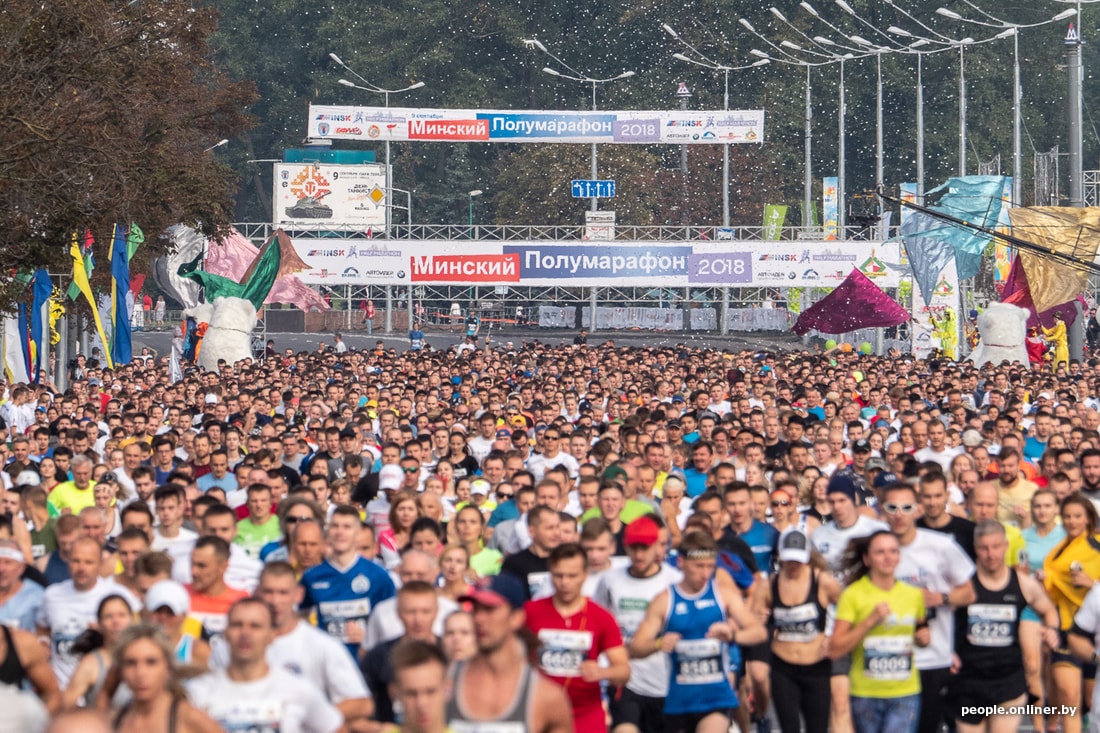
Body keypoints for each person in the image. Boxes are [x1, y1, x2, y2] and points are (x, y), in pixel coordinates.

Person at [629, 530, 768, 733]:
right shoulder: (665, 600)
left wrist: (732, 635)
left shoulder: (723, 594)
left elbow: (758, 632)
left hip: (716, 697)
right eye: (699, 566)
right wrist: (658, 644)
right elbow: (636, 648)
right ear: (681, 563)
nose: (705, 573)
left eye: (710, 567)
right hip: (678, 701)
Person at [951, 520, 1061, 733]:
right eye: (984, 548)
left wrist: (1052, 629)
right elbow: (943, 621)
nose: (990, 554)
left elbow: (1048, 610)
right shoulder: (964, 584)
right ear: (976, 549)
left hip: (1008, 680)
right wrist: (948, 652)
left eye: (996, 547)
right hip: (969, 680)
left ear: (1006, 546)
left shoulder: (1022, 583)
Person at [188, 599, 346, 733]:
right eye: (237, 625)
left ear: (272, 635)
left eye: (255, 626)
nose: (245, 633)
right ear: (225, 633)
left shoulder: (299, 689)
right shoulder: (196, 692)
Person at [828, 531, 930, 733]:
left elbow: (921, 631)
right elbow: (835, 649)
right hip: (866, 694)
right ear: (867, 559)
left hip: (905, 692)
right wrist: (868, 622)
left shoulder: (913, 595)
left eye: (893, 551)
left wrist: (923, 639)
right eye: (880, 552)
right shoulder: (852, 595)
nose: (888, 557)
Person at [446, 573, 574, 732]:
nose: (479, 618)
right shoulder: (444, 686)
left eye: (489, 609)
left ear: (516, 618)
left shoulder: (546, 698)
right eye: (475, 609)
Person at [524, 542, 631, 732]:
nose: (565, 582)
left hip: (586, 716)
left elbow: (624, 671)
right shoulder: (531, 611)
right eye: (558, 576)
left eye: (572, 576)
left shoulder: (601, 617)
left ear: (584, 575)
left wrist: (602, 672)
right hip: (540, 714)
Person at [594, 515, 683, 733]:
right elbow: (598, 624)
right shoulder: (610, 580)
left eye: (645, 548)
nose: (639, 554)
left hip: (667, 682)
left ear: (656, 547)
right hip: (627, 682)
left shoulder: (674, 581)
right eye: (633, 548)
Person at [754, 528, 842, 733]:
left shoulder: (823, 581)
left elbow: (848, 611)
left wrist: (834, 637)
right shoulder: (769, 585)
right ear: (780, 557)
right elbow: (753, 621)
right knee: (790, 727)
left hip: (817, 666)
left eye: (798, 560)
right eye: (788, 560)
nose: (793, 566)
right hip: (783, 666)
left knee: (817, 727)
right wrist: (760, 621)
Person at [300, 505, 396, 658]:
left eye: (347, 527)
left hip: (365, 664)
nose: (340, 532)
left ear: (357, 533)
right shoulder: (311, 577)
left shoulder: (378, 576)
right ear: (328, 531)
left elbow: (392, 624)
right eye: (335, 526)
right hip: (325, 663)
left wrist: (368, 639)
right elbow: (300, 617)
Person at [1043, 494, 1100, 733]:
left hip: (1094, 634)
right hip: (1066, 629)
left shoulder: (1097, 545)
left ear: (1087, 518)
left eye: (1077, 516)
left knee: (1089, 702)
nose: (1071, 521)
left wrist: (1093, 583)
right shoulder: (1057, 552)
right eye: (1066, 516)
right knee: (1070, 699)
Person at [110, 624, 223, 733]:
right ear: (120, 670)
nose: (140, 673)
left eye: (151, 662)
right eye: (130, 663)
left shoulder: (191, 720)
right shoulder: (110, 721)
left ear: (168, 667)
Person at [61, 593, 133, 708]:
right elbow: (65, 705)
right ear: (99, 624)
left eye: (122, 615)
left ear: (131, 619)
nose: (116, 622)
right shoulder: (91, 663)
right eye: (109, 616)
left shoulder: (143, 655)